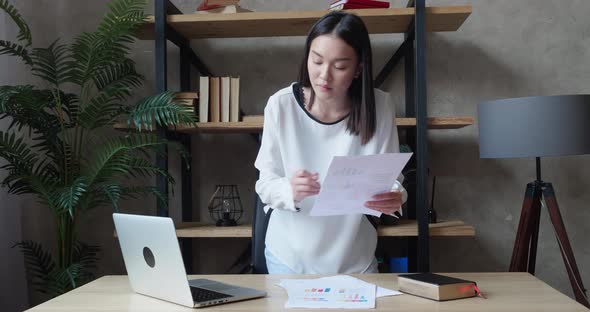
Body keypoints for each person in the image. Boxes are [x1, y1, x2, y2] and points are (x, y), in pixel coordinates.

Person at [254, 11, 407, 275]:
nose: (324, 75)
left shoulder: (380, 106)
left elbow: (391, 179)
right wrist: (290, 189)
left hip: (354, 258)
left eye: (339, 66)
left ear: (359, 68)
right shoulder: (281, 105)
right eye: (317, 61)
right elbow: (265, 184)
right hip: (289, 257)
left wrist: (395, 196)